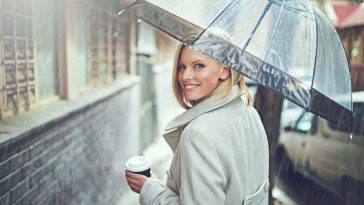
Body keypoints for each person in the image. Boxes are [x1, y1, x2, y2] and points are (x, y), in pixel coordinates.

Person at [125, 32, 269, 205]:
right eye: (181, 66)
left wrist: (150, 189)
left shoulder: (198, 134)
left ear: (224, 70)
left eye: (199, 66)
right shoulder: (250, 113)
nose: (185, 76)